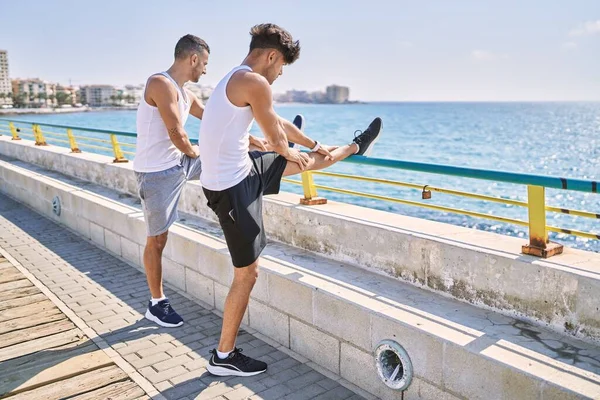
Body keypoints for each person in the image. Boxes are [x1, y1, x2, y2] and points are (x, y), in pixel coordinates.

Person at [199, 23, 382, 376]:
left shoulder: (234, 78)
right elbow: (275, 135)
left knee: (313, 158)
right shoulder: (255, 82)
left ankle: (356, 145)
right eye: (282, 65)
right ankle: (223, 357)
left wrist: (313, 146)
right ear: (271, 56)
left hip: (240, 171)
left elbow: (278, 122)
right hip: (231, 188)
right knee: (247, 274)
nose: (281, 73)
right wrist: (287, 151)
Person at [132, 34, 271, 328]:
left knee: (233, 159)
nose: (205, 70)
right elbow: (177, 133)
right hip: (157, 173)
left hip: (180, 163)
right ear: (193, 59)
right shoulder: (159, 83)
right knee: (157, 238)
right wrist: (198, 152)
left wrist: (251, 139)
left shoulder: (187, 94)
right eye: (204, 63)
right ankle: (156, 304)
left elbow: (216, 121)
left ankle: (274, 159)